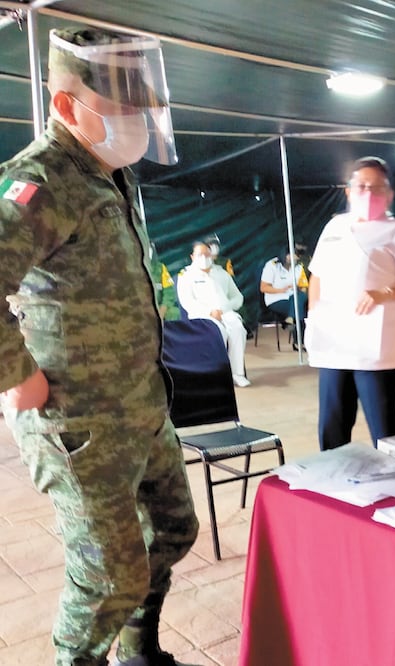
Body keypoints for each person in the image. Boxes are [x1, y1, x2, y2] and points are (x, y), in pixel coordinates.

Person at [0, 27, 199, 666]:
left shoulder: (110, 175)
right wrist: (15, 374)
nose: (137, 122)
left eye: (142, 109)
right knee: (107, 580)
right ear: (65, 106)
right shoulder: (40, 180)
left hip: (140, 410)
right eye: (122, 110)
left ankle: (137, 652)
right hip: (80, 424)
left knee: (171, 531)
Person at [306, 156, 395, 450]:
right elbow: (318, 276)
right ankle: (333, 479)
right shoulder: (334, 227)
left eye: (376, 188)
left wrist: (384, 293)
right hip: (335, 338)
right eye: (361, 186)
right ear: (348, 191)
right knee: (333, 420)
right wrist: (314, 319)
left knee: (384, 423)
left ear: (389, 194)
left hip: (378, 339)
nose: (368, 193)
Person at [177, 241, 251, 387]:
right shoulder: (186, 275)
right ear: (192, 257)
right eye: (200, 255)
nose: (204, 258)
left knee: (238, 329)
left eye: (207, 254)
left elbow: (238, 297)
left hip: (225, 313)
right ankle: (218, 374)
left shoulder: (221, 273)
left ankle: (237, 373)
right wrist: (209, 312)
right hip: (202, 316)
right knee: (219, 333)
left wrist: (225, 308)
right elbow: (187, 302)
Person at [260, 246, 309, 349]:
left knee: (299, 299)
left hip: (293, 297)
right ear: (285, 255)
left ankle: (291, 319)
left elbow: (304, 287)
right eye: (293, 255)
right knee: (298, 307)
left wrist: (298, 290)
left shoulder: (299, 267)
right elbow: (263, 288)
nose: (296, 258)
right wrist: (281, 290)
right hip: (276, 299)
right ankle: (299, 342)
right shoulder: (272, 265)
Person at [148, 242, 181, 321]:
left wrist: (162, 310)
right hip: (140, 308)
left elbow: (169, 293)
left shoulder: (161, 268)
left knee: (174, 313)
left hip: (159, 307)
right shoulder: (131, 269)